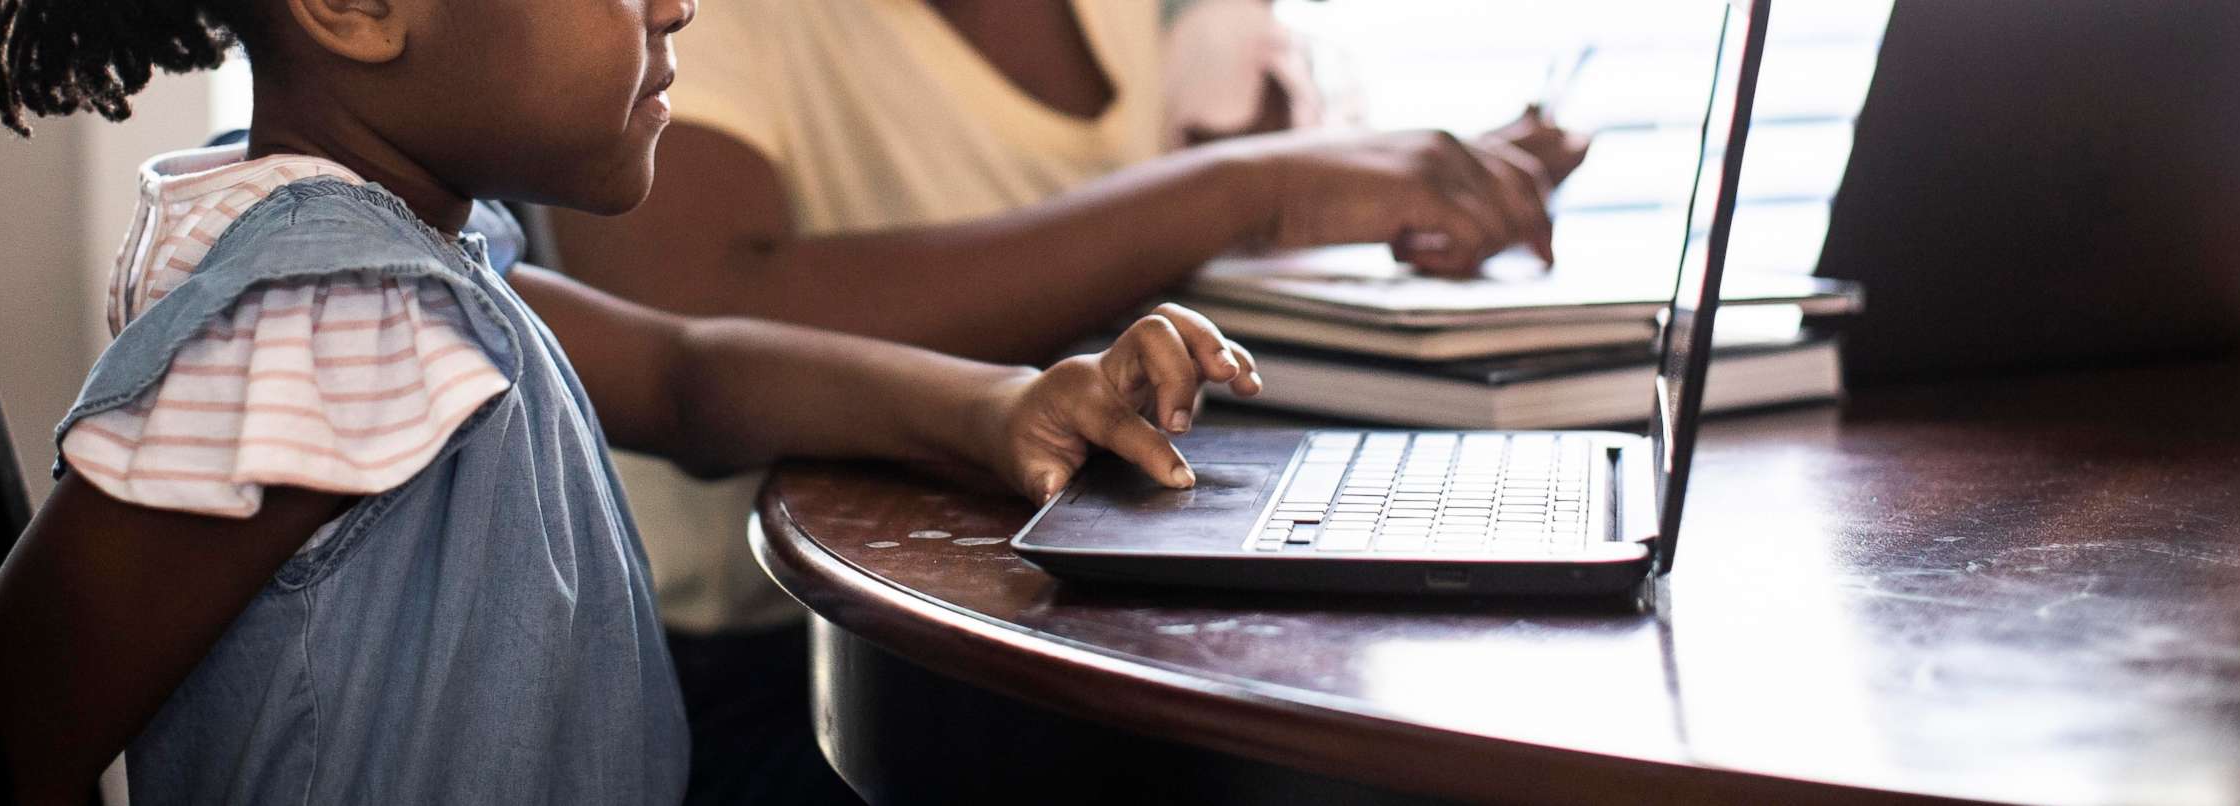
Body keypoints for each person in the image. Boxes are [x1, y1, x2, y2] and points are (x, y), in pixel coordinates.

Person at [0, 0, 1270, 801]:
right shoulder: (317, 328)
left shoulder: (416, 269)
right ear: (357, 5)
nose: (678, 10)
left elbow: (691, 375)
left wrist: (1000, 409)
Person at [541, 2, 1590, 802]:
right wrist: (1241, 190)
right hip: (798, 666)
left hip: (1091, 610)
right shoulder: (683, 25)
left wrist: (1382, 194)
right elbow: (680, 317)